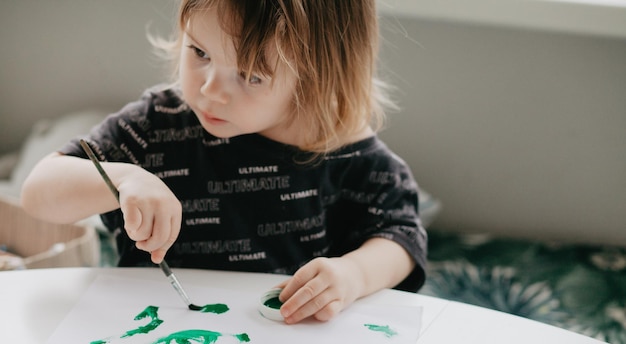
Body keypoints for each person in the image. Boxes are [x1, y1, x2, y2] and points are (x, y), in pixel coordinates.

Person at [21, 0, 427, 324]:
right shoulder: (155, 126)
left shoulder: (347, 153)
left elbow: (402, 236)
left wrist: (354, 275)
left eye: (251, 75)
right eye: (200, 51)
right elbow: (38, 194)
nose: (211, 90)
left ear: (317, 76)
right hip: (149, 339)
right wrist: (123, 178)